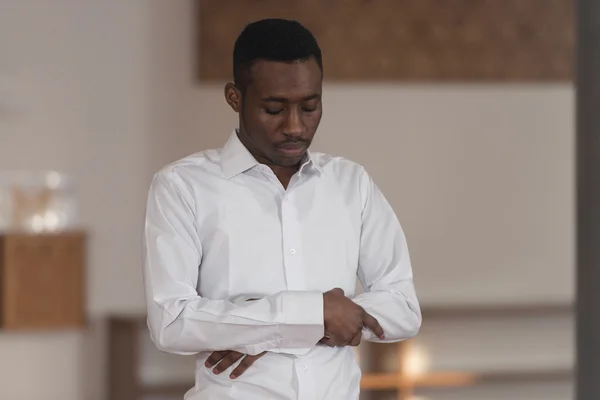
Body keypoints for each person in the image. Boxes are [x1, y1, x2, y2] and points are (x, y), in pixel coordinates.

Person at [142, 18, 421, 400]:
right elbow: (171, 321)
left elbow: (403, 308)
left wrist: (255, 325)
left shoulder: (351, 184)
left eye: (310, 106)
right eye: (274, 109)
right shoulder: (182, 186)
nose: (295, 126)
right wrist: (315, 315)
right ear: (235, 98)